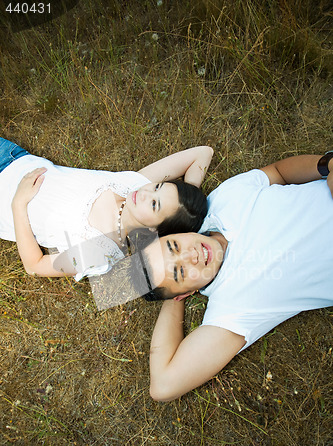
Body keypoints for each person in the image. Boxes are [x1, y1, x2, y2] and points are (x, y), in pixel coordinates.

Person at [135, 152, 333, 401]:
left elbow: (277, 172)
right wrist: (172, 298)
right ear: (185, 293)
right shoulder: (231, 309)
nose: (191, 256)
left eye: (174, 246)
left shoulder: (224, 198)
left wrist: (327, 164)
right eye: (180, 272)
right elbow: (162, 386)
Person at [0, 137, 212, 280]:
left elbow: (35, 266)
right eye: (157, 187)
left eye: (155, 204)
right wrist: (187, 197)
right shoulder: (131, 185)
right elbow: (202, 153)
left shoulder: (99, 253)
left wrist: (18, 203)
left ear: (154, 229)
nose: (147, 194)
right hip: (11, 157)